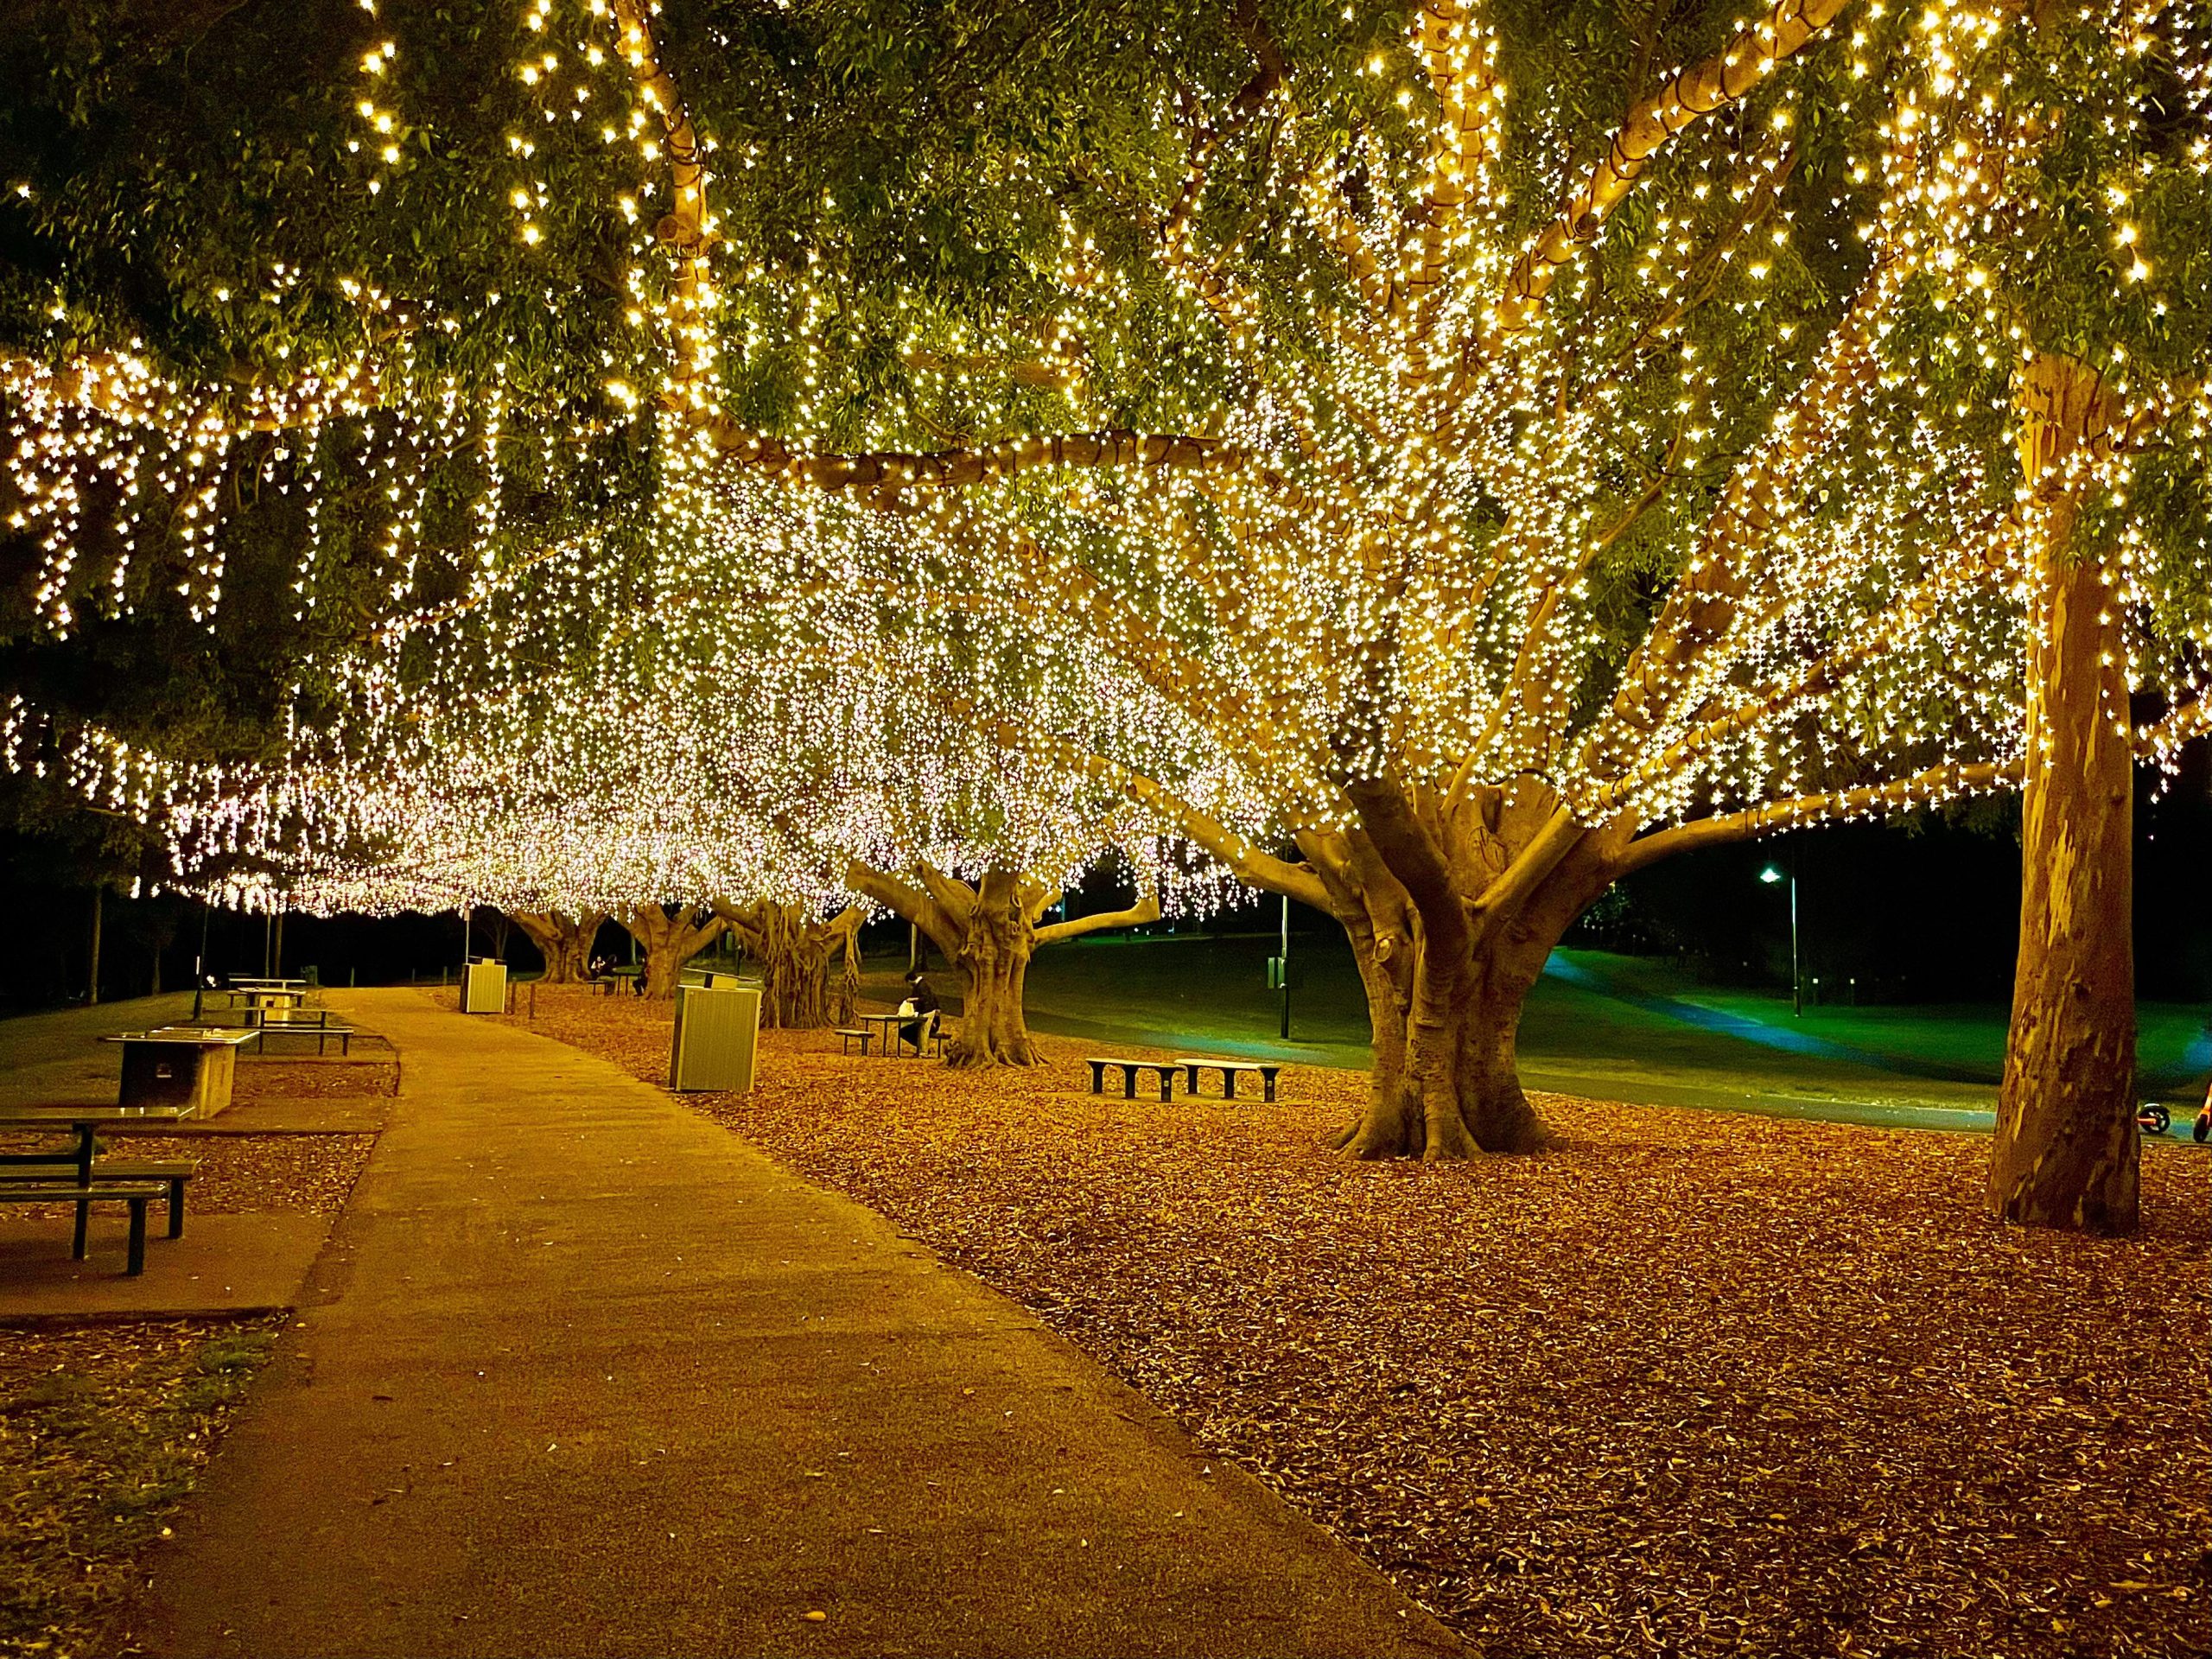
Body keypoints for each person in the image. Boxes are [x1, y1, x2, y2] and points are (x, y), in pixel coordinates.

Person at [899, 970, 941, 1056]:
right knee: (920, 1031)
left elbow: (925, 998)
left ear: (910, 980)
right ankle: (921, 1049)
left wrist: (914, 999)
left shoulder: (922, 986)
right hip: (924, 1010)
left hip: (928, 1010)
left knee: (924, 1031)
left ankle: (924, 1052)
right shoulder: (922, 985)